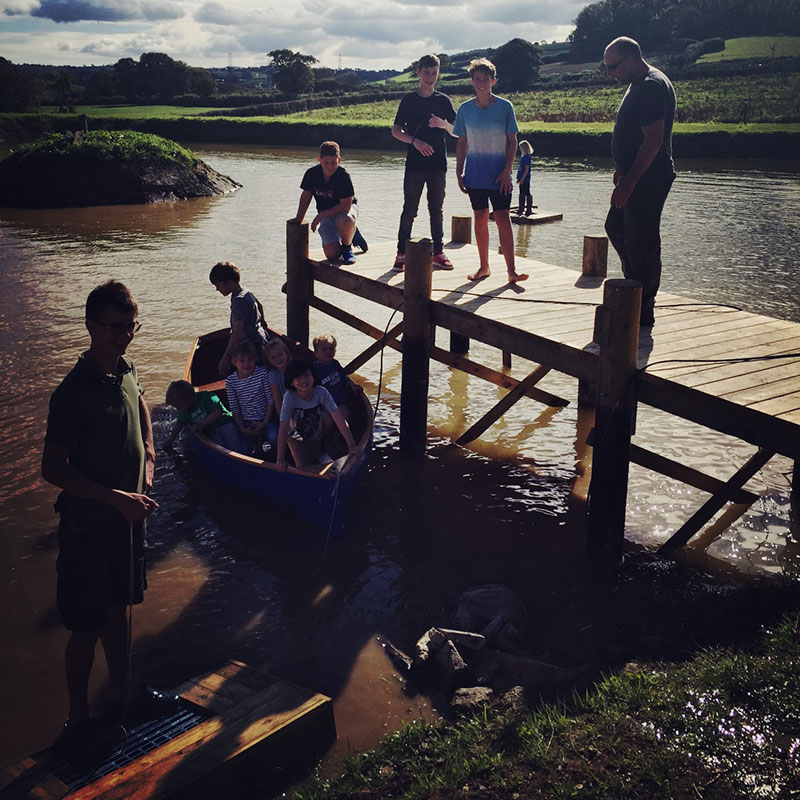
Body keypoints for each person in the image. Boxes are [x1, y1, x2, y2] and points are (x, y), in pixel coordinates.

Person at [41, 280, 158, 745]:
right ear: (90, 326)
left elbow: (141, 400)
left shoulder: (125, 367)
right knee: (86, 625)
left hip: (126, 523)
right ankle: (78, 720)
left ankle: (123, 696)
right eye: (114, 328)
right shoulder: (72, 392)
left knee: (118, 611)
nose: (124, 336)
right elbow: (52, 468)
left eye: (131, 327)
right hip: (88, 529)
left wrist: (150, 456)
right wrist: (116, 499)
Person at [603, 36, 676, 327]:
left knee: (642, 241)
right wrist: (623, 170)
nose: (609, 73)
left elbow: (653, 140)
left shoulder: (650, 86)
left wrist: (629, 182)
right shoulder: (640, 83)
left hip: (648, 177)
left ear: (631, 59)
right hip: (637, 174)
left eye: (613, 66)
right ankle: (634, 288)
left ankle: (643, 308)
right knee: (617, 227)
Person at [454, 58, 529, 283]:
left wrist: (507, 171)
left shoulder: (505, 107)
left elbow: (512, 141)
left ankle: (511, 271)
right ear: (472, 81)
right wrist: (458, 171)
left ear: (493, 81)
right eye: (477, 79)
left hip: (500, 176)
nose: (481, 83)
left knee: (503, 218)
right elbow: (461, 142)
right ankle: (483, 267)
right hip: (474, 174)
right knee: (480, 217)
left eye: (485, 79)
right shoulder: (465, 109)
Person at [391, 53, 457, 271]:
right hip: (415, 165)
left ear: (438, 74)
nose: (430, 77)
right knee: (409, 209)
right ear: (418, 72)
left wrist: (444, 124)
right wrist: (415, 141)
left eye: (434, 73)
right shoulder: (409, 100)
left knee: (436, 209)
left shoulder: (443, 100)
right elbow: (396, 131)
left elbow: (458, 131)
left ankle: (438, 252)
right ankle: (401, 254)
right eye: (426, 73)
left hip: (438, 165)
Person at [276, 359, 359, 471]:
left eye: (306, 376)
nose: (303, 380)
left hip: (314, 434)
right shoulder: (289, 397)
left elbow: (339, 418)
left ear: (314, 377)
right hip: (295, 438)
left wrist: (352, 445)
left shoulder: (321, 392)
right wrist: (280, 459)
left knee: (314, 462)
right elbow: (283, 428)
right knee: (304, 468)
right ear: (291, 382)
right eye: (298, 378)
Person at [293, 141, 362, 265]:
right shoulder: (311, 174)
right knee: (332, 255)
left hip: (346, 210)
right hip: (327, 213)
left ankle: (347, 246)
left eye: (333, 163)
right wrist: (299, 218)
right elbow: (306, 196)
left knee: (344, 219)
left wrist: (320, 216)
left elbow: (345, 206)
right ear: (319, 160)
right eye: (326, 163)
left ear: (339, 160)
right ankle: (352, 233)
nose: (330, 167)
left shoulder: (343, 176)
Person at [209, 261, 270, 374]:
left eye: (218, 285)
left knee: (251, 374)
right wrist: (263, 322)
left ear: (229, 283)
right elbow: (260, 305)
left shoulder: (239, 300)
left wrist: (225, 358)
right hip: (261, 338)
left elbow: (238, 331)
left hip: (251, 346)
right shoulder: (245, 291)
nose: (217, 289)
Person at [225, 340, 274, 455]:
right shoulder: (231, 381)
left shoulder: (262, 373)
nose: (246, 364)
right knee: (242, 451)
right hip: (246, 421)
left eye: (250, 359)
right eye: (242, 360)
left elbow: (270, 400)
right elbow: (235, 408)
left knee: (274, 437)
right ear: (234, 362)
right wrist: (242, 428)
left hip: (266, 418)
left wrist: (265, 422)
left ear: (255, 359)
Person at [164, 380, 241, 451]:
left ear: (190, 399)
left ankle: (238, 453)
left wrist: (200, 425)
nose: (178, 409)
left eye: (179, 406)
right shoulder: (184, 412)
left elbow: (217, 412)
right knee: (218, 443)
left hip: (225, 423)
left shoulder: (206, 397)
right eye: (176, 407)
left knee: (230, 437)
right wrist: (169, 440)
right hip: (212, 431)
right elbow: (178, 426)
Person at [313, 333, 363, 422]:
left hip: (338, 402)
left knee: (346, 413)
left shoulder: (335, 364)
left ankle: (341, 430)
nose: (328, 352)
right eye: (324, 349)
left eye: (331, 349)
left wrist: (353, 385)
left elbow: (344, 378)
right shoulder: (314, 369)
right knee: (327, 421)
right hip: (323, 405)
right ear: (316, 354)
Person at [264, 337, 293, 418]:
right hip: (285, 409)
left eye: (280, 354)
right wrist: (283, 419)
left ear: (287, 354)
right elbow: (277, 401)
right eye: (273, 357)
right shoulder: (273, 375)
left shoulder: (294, 368)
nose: (278, 359)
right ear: (269, 361)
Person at [516, 140, 534, 216]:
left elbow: (526, 169)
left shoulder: (526, 157)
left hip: (525, 178)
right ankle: (521, 208)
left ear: (524, 148)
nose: (520, 149)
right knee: (521, 193)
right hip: (522, 178)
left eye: (521, 148)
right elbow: (521, 169)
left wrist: (523, 179)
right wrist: (519, 179)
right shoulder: (523, 157)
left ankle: (528, 209)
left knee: (526, 193)